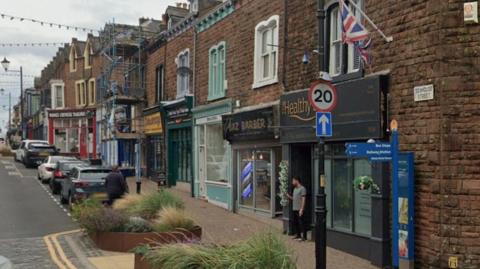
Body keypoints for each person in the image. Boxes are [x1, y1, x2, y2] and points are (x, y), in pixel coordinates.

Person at [287, 176, 307, 241]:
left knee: (301, 223)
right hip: (294, 209)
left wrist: (301, 209)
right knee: (296, 223)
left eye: (293, 181)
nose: (292, 182)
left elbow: (303, 199)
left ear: (297, 181)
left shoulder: (302, 188)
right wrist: (289, 196)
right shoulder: (295, 189)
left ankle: (304, 237)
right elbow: (294, 199)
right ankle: (298, 235)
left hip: (300, 209)